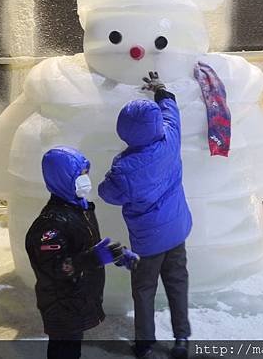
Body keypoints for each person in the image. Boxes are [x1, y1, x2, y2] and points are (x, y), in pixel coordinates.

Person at [98, 72, 192, 359]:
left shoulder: (124, 168)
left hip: (147, 242)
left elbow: (107, 194)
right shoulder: (170, 139)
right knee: (177, 284)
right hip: (176, 231)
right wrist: (161, 90)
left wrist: (109, 174)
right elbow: (170, 112)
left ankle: (145, 343)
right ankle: (181, 339)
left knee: (144, 290)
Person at [26, 146, 139, 359]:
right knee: (64, 351)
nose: (85, 179)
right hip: (61, 304)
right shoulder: (50, 224)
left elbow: (86, 246)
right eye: (79, 175)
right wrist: (94, 258)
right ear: (61, 178)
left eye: (85, 173)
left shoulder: (79, 209)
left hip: (76, 299)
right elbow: (55, 267)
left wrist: (115, 253)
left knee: (72, 348)